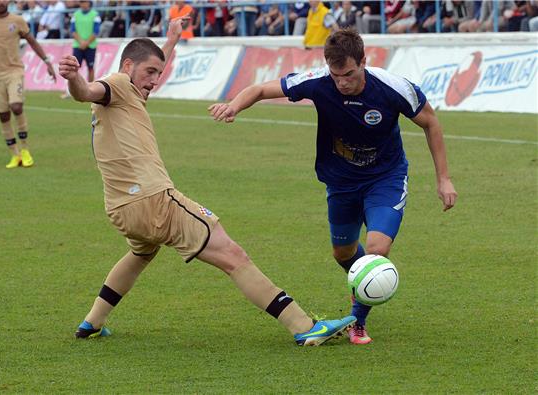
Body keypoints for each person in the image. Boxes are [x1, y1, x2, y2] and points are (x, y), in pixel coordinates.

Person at [58, 17, 356, 346]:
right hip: (154, 200)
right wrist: (75, 79)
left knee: (141, 253)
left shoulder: (129, 91)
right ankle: (303, 325)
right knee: (233, 255)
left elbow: (144, 65)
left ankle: (92, 322)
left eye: (159, 73)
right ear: (127, 65)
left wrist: (171, 39)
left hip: (121, 208)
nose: (155, 81)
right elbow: (87, 91)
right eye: (150, 73)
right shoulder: (115, 84)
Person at [209, 27, 457, 345]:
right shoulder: (318, 82)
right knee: (343, 253)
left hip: (386, 178)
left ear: (364, 61)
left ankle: (358, 321)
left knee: (378, 249)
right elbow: (259, 89)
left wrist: (444, 178)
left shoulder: (392, 87)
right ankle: (368, 283)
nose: (342, 82)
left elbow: (431, 122)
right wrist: (233, 106)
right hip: (340, 183)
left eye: (349, 74)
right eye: (336, 75)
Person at [0, 0, 56, 168]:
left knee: (16, 106)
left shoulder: (18, 21)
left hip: (14, 71)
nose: (1, 2)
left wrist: (47, 61)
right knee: (3, 115)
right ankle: (14, 154)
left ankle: (25, 150)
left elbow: (32, 41)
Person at [70, 0, 101, 83]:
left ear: (89, 3)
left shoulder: (95, 15)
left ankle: (90, 88)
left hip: (90, 46)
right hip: (78, 45)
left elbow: (96, 31)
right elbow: (73, 31)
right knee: (74, 68)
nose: (83, 4)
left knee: (90, 68)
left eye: (85, 2)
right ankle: (73, 89)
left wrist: (86, 43)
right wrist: (82, 42)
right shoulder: (75, 15)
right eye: (81, 2)